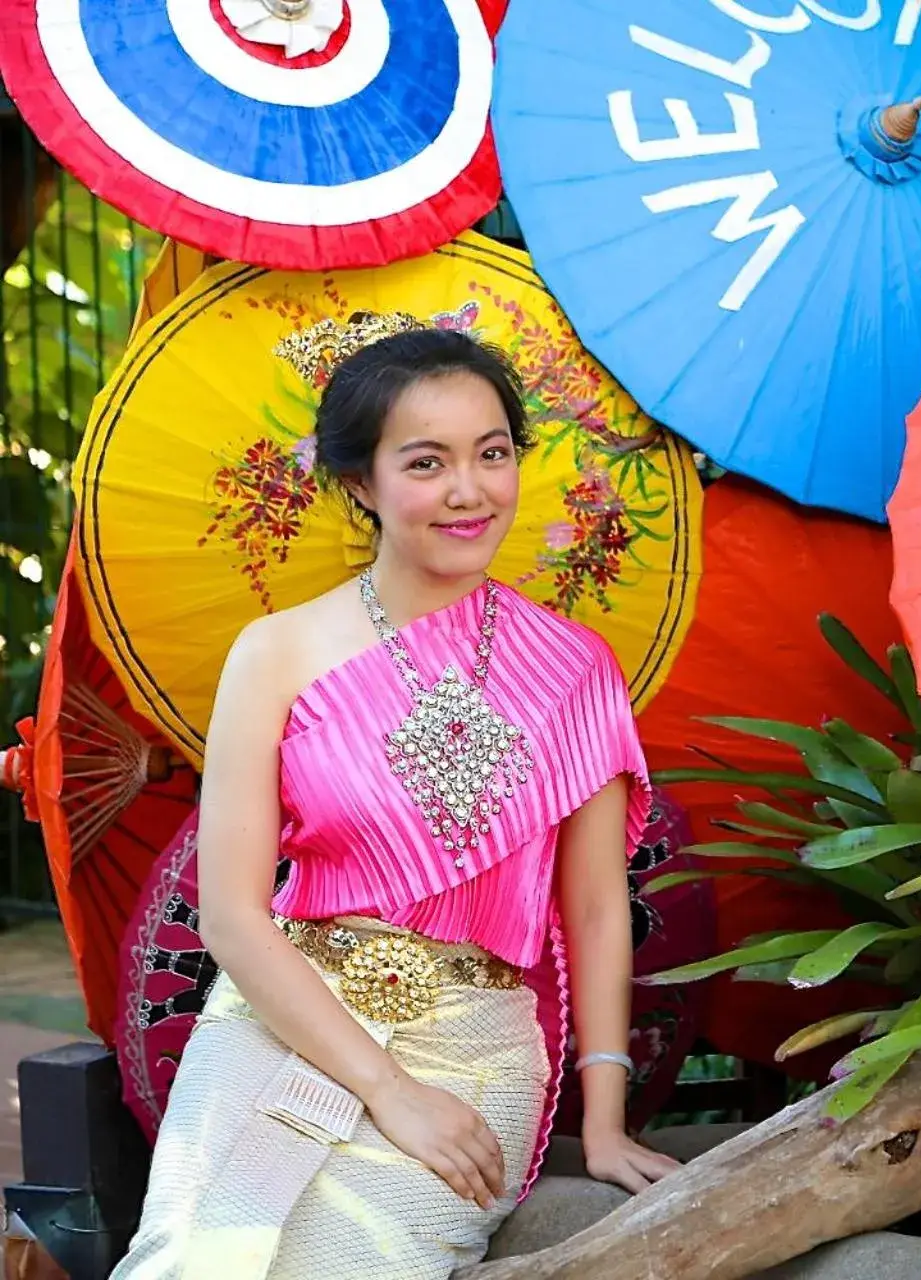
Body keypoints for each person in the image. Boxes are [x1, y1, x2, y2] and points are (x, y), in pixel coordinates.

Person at [112, 324, 680, 1279]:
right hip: (281, 1017)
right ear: (361, 485)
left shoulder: (574, 668)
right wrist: (383, 1086)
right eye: (428, 462)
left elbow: (592, 911)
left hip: (476, 1046)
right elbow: (231, 915)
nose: (470, 490)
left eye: (492, 454)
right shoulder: (275, 654)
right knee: (194, 1261)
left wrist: (609, 1126)